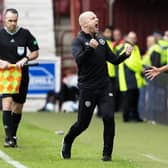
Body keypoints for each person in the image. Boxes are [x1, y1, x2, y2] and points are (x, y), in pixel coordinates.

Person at [61, 11, 133, 161]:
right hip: (87, 88)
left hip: (104, 86)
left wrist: (125, 55)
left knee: (108, 116)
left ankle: (107, 154)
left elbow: (113, 60)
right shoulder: (78, 41)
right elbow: (79, 60)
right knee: (82, 124)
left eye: (96, 17)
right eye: (93, 18)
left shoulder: (101, 39)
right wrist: (89, 48)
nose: (97, 19)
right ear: (84, 24)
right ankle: (68, 140)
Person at [0, 8, 39, 147]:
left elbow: (36, 51)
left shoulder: (25, 34)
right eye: (10, 20)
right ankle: (8, 138)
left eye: (15, 21)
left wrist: (26, 58)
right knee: (7, 103)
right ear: (4, 19)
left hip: (22, 73)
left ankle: (13, 135)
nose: (12, 23)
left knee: (18, 106)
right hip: (5, 74)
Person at [117, 32, 144, 122]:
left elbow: (138, 61)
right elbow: (130, 63)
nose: (133, 39)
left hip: (135, 77)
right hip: (128, 76)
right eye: (131, 37)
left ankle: (135, 116)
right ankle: (126, 116)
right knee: (128, 98)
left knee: (135, 97)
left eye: (134, 37)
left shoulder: (136, 48)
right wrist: (140, 69)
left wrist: (140, 67)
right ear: (127, 38)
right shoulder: (126, 47)